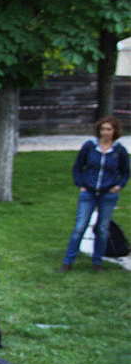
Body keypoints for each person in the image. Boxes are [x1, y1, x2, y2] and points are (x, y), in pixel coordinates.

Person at [59, 116, 129, 272]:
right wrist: (81, 185)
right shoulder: (90, 147)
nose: (105, 132)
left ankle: (97, 262)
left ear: (115, 131)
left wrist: (119, 186)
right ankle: (67, 262)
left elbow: (125, 173)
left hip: (108, 195)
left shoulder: (119, 151)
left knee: (102, 229)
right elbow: (78, 167)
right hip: (88, 192)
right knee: (80, 226)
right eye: (103, 129)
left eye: (109, 129)